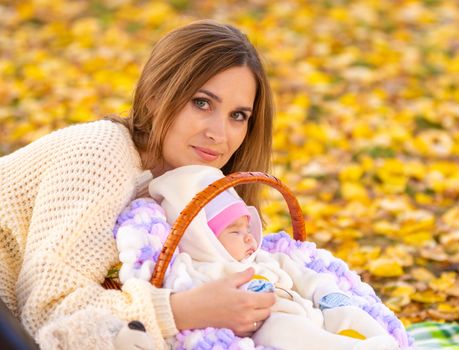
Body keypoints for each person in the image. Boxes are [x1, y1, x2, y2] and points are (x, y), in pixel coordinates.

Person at [0, 19, 276, 349]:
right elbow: (46, 316)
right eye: (202, 103)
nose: (219, 133)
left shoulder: (188, 191)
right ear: (155, 98)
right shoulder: (101, 155)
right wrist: (181, 310)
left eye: (238, 116)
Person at [143, 165, 400, 350]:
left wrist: (325, 294)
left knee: (345, 309)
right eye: (235, 231)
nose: (248, 238)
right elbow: (179, 287)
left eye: (247, 228)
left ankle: (379, 342)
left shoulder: (265, 259)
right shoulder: (201, 269)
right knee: (280, 329)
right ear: (201, 238)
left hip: (313, 315)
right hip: (268, 328)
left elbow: (307, 277)